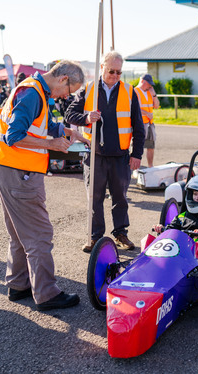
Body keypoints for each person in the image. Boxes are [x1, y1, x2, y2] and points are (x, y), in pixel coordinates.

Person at [0, 60, 88, 311]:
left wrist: (68, 131)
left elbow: (40, 125)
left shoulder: (33, 90)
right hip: (19, 170)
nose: (66, 97)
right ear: (63, 79)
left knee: (19, 232)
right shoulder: (33, 94)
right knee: (39, 234)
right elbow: (15, 136)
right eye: (69, 91)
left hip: (9, 167)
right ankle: (46, 293)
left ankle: (19, 284)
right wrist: (52, 144)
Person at [65, 51, 145, 252]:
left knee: (121, 198)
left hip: (120, 156)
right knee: (95, 198)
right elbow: (69, 114)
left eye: (119, 72)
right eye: (111, 71)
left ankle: (120, 234)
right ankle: (95, 238)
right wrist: (86, 118)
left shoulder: (130, 91)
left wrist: (137, 154)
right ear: (102, 68)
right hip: (95, 155)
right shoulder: (88, 89)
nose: (115, 75)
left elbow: (139, 127)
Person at [153, 174, 198, 248]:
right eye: (195, 194)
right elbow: (172, 229)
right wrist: (161, 228)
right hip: (182, 250)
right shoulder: (182, 216)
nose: (197, 198)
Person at [134, 74, 159, 168]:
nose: (150, 86)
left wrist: (154, 95)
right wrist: (146, 113)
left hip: (149, 124)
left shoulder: (150, 92)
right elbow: (134, 108)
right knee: (137, 147)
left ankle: (150, 167)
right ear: (143, 82)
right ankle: (135, 168)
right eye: (149, 84)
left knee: (150, 147)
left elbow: (156, 105)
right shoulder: (135, 91)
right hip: (139, 123)